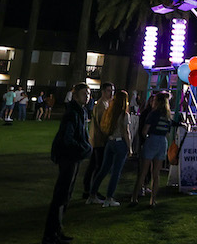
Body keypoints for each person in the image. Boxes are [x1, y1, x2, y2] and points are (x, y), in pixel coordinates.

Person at [42, 83, 91, 244]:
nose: (87, 96)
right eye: (84, 93)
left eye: (89, 94)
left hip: (73, 156)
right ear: (75, 95)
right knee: (61, 195)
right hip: (68, 157)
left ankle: (57, 230)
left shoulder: (80, 111)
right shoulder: (72, 113)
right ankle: (51, 234)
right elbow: (68, 138)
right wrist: (83, 148)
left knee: (66, 195)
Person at [87, 90, 132, 207]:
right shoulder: (124, 114)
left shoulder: (109, 112)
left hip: (110, 142)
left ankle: (92, 195)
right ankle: (109, 198)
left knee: (103, 169)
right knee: (116, 172)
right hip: (119, 142)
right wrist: (130, 147)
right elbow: (126, 132)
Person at [130, 91, 171, 207]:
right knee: (156, 174)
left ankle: (134, 197)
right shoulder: (167, 116)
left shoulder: (153, 114)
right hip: (162, 142)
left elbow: (144, 131)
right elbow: (168, 130)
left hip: (152, 140)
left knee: (143, 172)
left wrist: (146, 137)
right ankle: (153, 200)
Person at [82, 82, 114, 200]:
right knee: (98, 166)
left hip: (97, 139)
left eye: (112, 91)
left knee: (93, 165)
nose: (111, 93)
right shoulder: (101, 105)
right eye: (109, 91)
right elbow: (102, 124)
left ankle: (88, 190)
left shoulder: (104, 104)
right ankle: (92, 191)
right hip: (99, 140)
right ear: (103, 91)